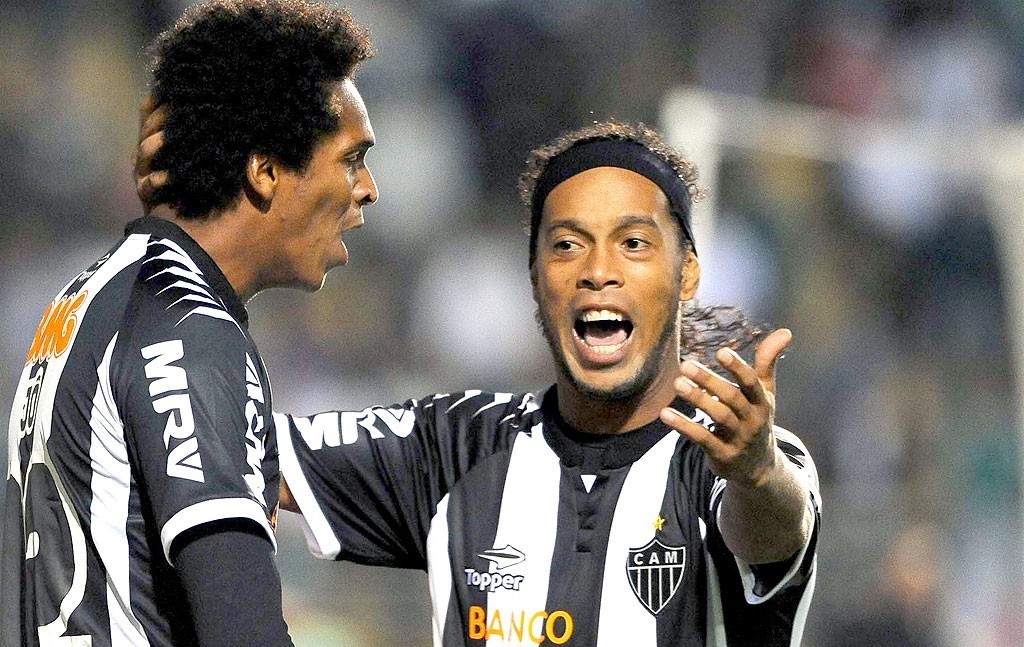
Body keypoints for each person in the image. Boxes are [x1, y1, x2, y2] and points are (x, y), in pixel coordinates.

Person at [271, 121, 820, 646]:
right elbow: (246, 451)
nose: (598, 270)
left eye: (633, 243)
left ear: (687, 273)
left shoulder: (731, 461)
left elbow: (773, 529)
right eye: (567, 245)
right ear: (534, 277)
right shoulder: (457, 447)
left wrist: (755, 473)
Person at [1, 1, 377, 645]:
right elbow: (239, 623)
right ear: (265, 172)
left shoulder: (92, 294)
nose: (367, 188)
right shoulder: (190, 330)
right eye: (351, 158)